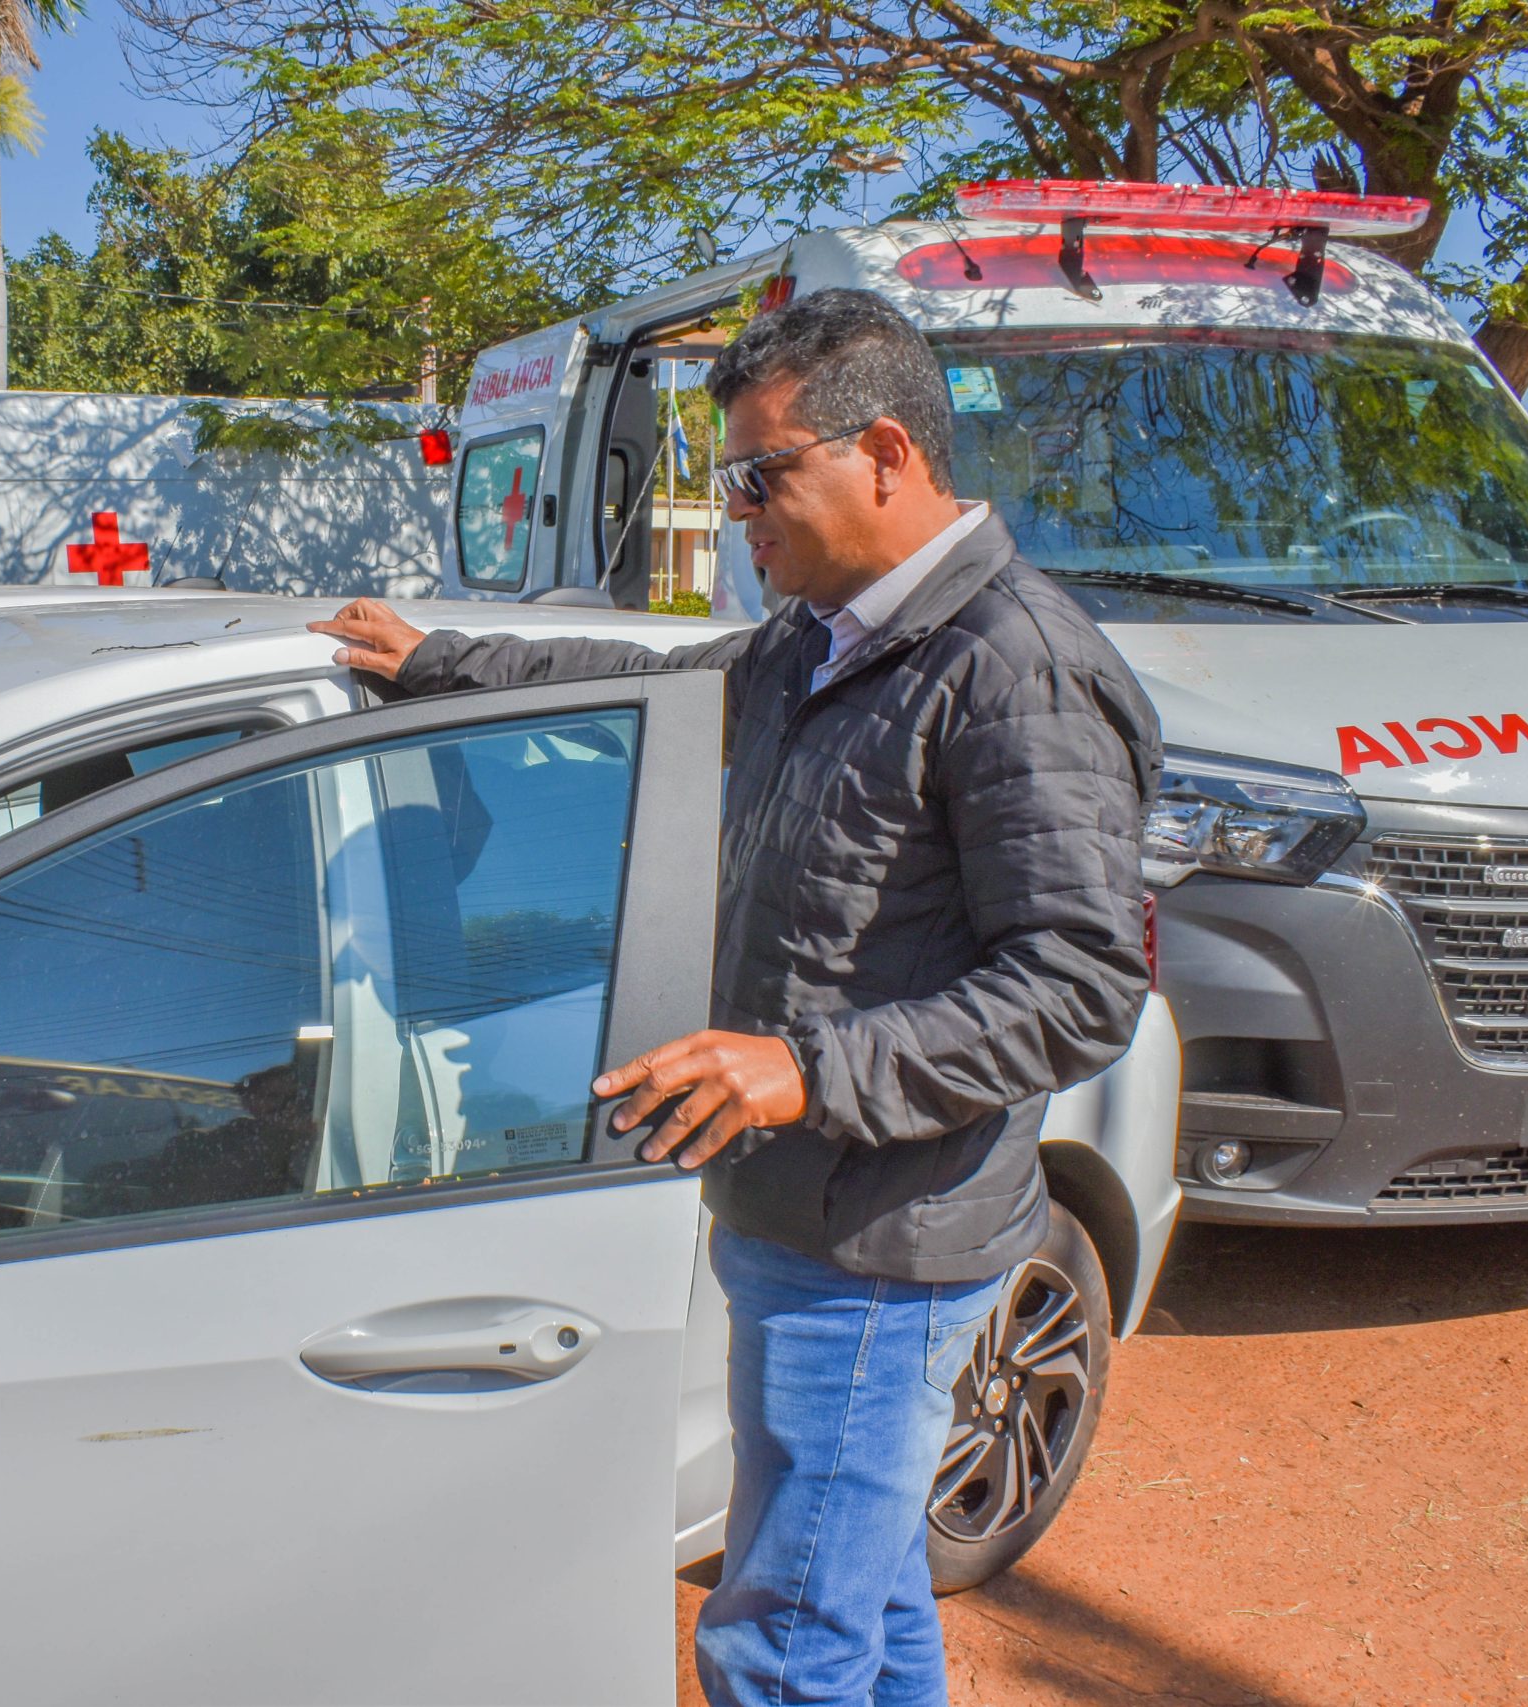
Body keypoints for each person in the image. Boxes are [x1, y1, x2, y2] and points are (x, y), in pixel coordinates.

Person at [310, 288, 1161, 1707]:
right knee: (868, 1593)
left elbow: (1079, 987)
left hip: (881, 1240)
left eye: (761, 476)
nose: (736, 512)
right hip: (806, 1214)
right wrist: (446, 664)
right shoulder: (819, 639)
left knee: (782, 1644)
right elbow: (647, 686)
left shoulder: (1015, 668)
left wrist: (806, 1069)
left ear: (883, 454)